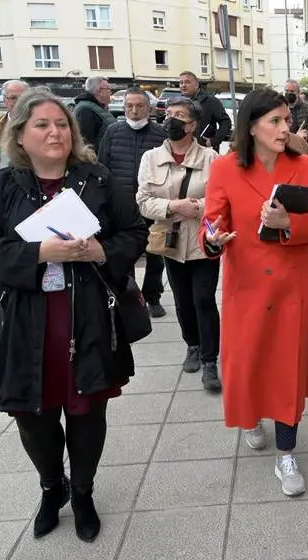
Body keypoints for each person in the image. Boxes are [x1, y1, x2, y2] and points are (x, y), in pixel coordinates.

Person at [0, 89, 149, 542]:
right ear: (21, 137)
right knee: (34, 417)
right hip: (26, 326)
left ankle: (83, 492)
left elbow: (135, 232)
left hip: (87, 320)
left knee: (88, 415)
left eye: (62, 124)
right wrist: (39, 253)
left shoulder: (98, 180)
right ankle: (53, 488)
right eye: (42, 125)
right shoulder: (3, 186)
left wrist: (102, 250)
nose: (55, 132)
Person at [200, 88, 308, 496]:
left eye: (286, 120)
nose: (284, 127)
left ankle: (286, 453)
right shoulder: (225, 168)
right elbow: (210, 221)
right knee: (250, 362)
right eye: (275, 121)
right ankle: (252, 416)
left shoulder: (305, 166)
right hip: (249, 286)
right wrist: (213, 239)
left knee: (289, 367)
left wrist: (288, 221)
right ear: (252, 127)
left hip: (296, 285)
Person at [136, 97, 222, 391]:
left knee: (203, 299)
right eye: (168, 114)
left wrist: (196, 208)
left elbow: (222, 198)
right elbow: (143, 201)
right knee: (183, 300)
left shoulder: (211, 159)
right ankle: (193, 345)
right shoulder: (151, 158)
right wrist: (173, 206)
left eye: (179, 116)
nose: (170, 119)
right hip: (170, 241)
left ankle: (210, 359)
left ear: (193, 124)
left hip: (204, 240)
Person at [99, 87, 169, 318]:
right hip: (122, 204)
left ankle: (153, 296)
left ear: (148, 108)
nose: (134, 111)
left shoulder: (160, 134)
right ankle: (128, 296)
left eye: (139, 106)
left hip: (152, 202)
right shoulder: (113, 131)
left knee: (155, 251)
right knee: (124, 252)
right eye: (129, 106)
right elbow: (103, 165)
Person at [178, 70, 231, 152]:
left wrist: (214, 140)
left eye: (187, 82)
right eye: (181, 83)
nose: (183, 85)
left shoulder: (211, 101)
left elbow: (226, 122)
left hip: (205, 150)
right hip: (183, 149)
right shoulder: (178, 103)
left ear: (197, 84)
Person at [73, 76, 117, 151]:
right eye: (108, 88)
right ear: (99, 91)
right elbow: (87, 144)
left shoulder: (97, 107)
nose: (111, 91)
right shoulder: (85, 111)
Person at [283, 79, 308, 154]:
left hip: (306, 151)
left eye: (292, 91)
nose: (289, 93)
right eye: (287, 91)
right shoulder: (281, 109)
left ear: (298, 92)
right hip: (288, 150)